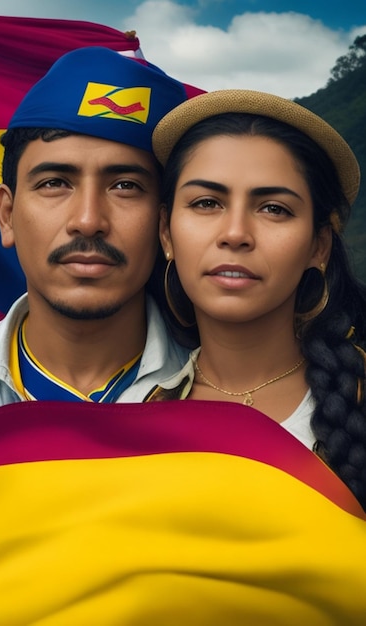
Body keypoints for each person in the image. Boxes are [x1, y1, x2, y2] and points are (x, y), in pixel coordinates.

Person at [0, 46, 199, 623]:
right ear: (6, 215)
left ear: (166, 224)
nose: (87, 219)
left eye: (125, 185)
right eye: (54, 182)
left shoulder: (221, 391)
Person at [146, 89, 366, 620]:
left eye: (273, 208)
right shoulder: (130, 413)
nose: (236, 234)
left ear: (318, 246)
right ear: (166, 234)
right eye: (206, 203)